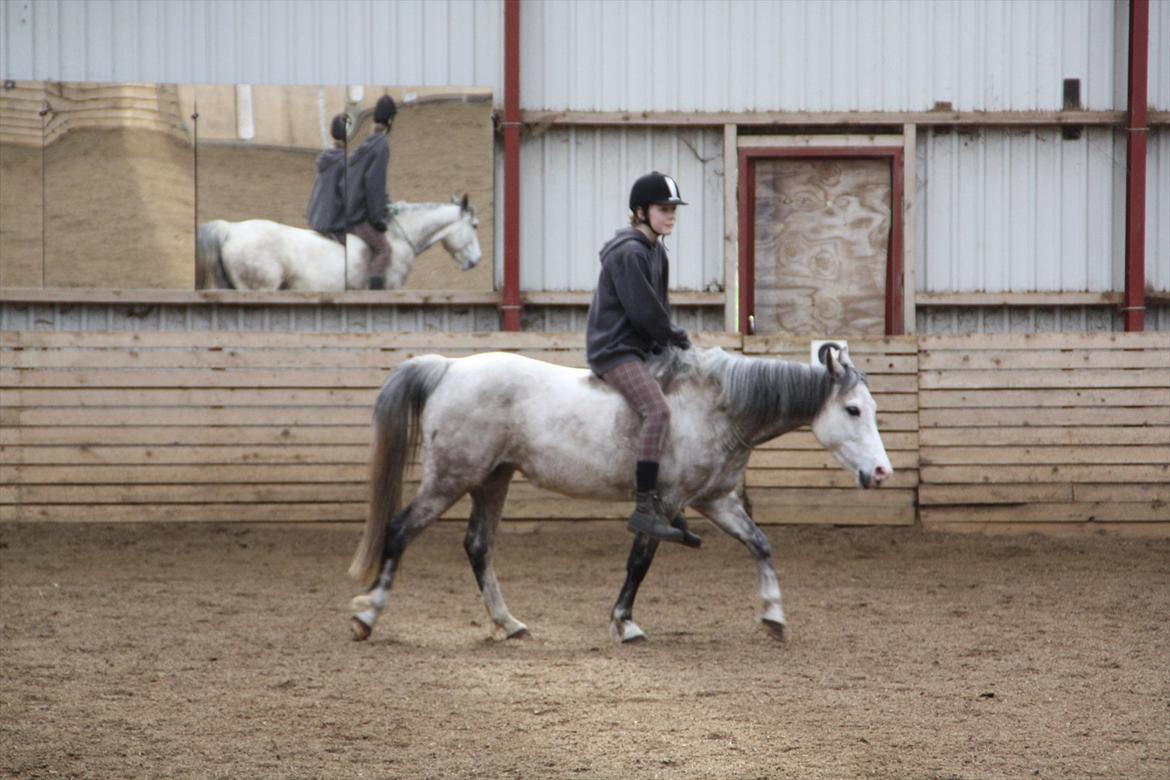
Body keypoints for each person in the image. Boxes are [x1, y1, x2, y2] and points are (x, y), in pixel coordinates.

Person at [585, 171, 700, 546]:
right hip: (614, 350)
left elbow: (658, 309)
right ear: (640, 211)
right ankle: (644, 506)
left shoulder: (656, 251)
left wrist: (671, 345)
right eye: (663, 209)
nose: (671, 217)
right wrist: (676, 338)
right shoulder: (630, 252)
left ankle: (667, 500)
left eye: (673, 210)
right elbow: (645, 313)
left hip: (642, 348)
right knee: (658, 412)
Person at [345, 94, 396, 289]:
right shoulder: (381, 145)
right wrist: (378, 219)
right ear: (390, 120)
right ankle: (374, 294)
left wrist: (386, 201)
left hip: (347, 210)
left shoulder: (366, 143)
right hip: (359, 216)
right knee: (384, 250)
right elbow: (374, 183)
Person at [306, 112, 349, 244]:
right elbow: (349, 196)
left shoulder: (326, 158)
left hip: (315, 218)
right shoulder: (344, 161)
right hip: (332, 225)